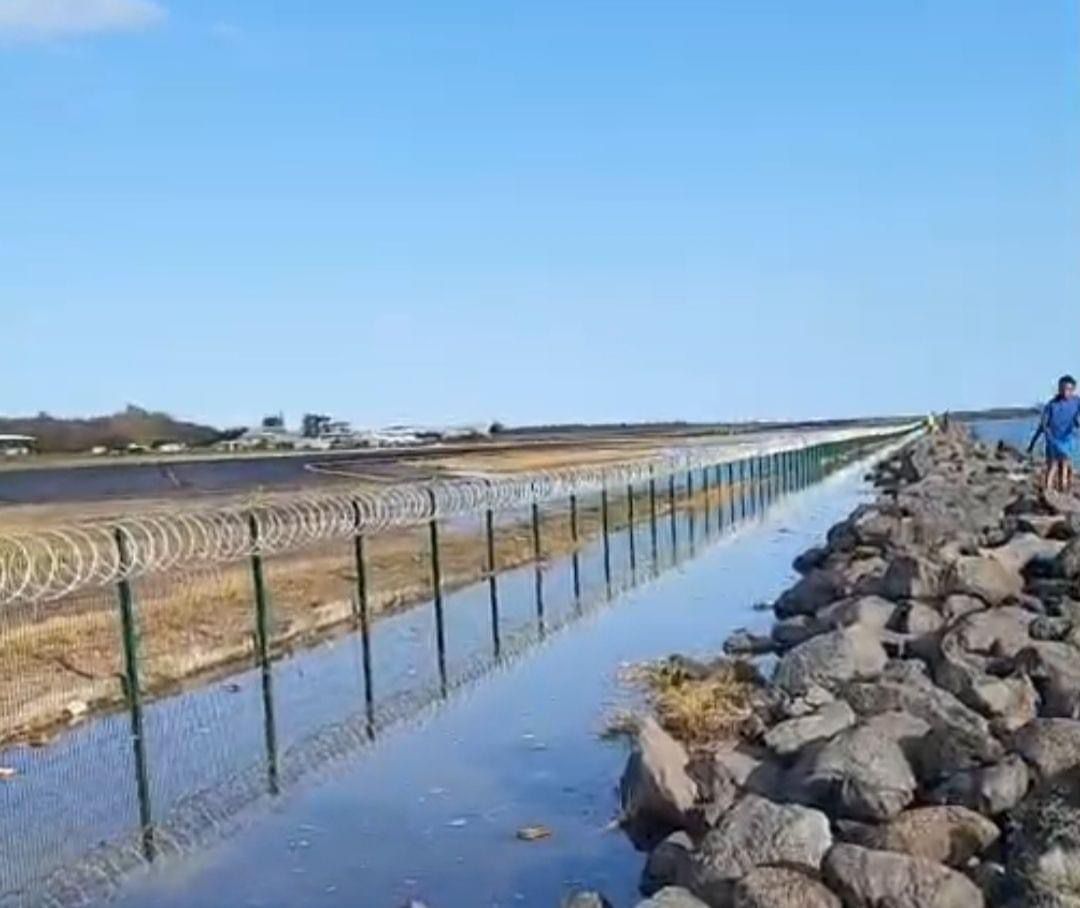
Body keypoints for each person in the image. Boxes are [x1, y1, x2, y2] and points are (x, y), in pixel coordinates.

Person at [1028, 375, 1080, 492]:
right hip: (1053, 439)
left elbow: (1077, 416)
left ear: (1073, 390)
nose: (1065, 392)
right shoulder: (1052, 405)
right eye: (1062, 389)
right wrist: (1032, 444)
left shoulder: (1076, 401)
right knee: (1052, 465)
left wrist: (1077, 422)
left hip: (1067, 439)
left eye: (1068, 389)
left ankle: (1063, 489)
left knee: (1065, 464)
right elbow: (1042, 425)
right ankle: (1049, 490)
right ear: (1059, 389)